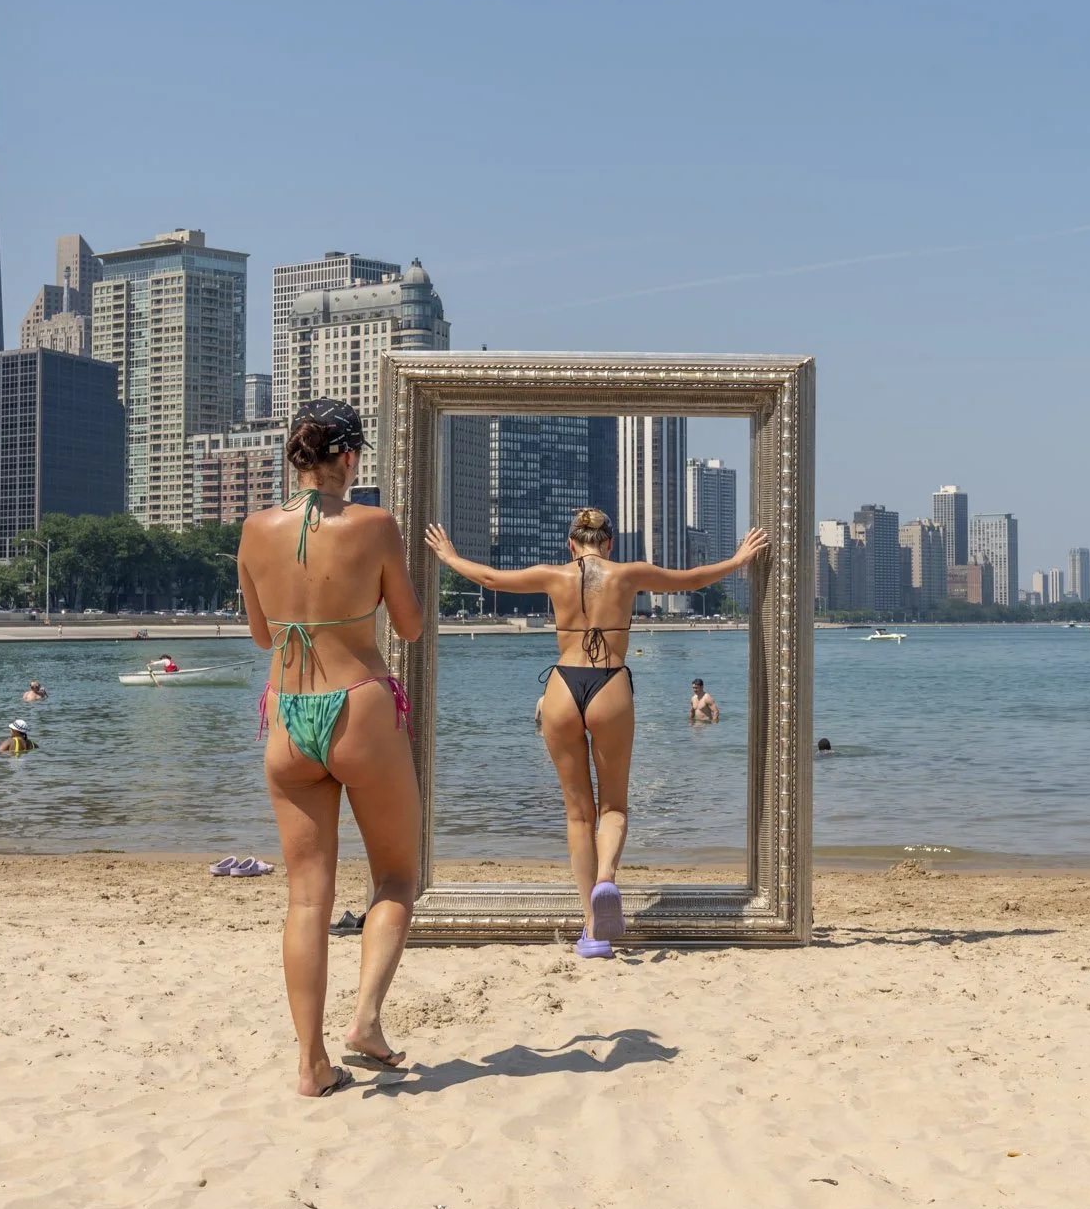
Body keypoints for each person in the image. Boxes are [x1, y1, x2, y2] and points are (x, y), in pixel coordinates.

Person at [427, 506, 768, 959]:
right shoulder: (628, 574)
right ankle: (607, 876)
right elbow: (692, 579)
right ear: (609, 544)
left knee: (577, 815)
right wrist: (739, 558)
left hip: (563, 688)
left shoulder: (553, 574)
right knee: (614, 806)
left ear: (571, 544)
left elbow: (490, 578)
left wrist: (449, 556)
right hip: (609, 685)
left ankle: (592, 929)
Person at [239, 398, 425, 1095]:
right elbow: (408, 627)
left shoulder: (255, 529)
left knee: (307, 900)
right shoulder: (374, 525)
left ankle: (311, 1064)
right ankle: (366, 1022)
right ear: (349, 458)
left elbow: (263, 635)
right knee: (397, 878)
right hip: (358, 708)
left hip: (287, 716)